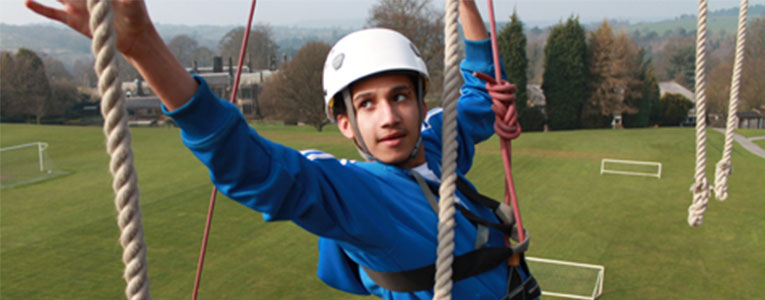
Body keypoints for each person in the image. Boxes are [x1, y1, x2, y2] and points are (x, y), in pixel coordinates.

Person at [26, 0, 539, 299]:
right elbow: (253, 167)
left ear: (421, 100)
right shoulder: (359, 196)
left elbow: (479, 84)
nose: (388, 117)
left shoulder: (436, 146)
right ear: (344, 124)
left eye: (400, 96)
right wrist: (143, 49)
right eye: (367, 104)